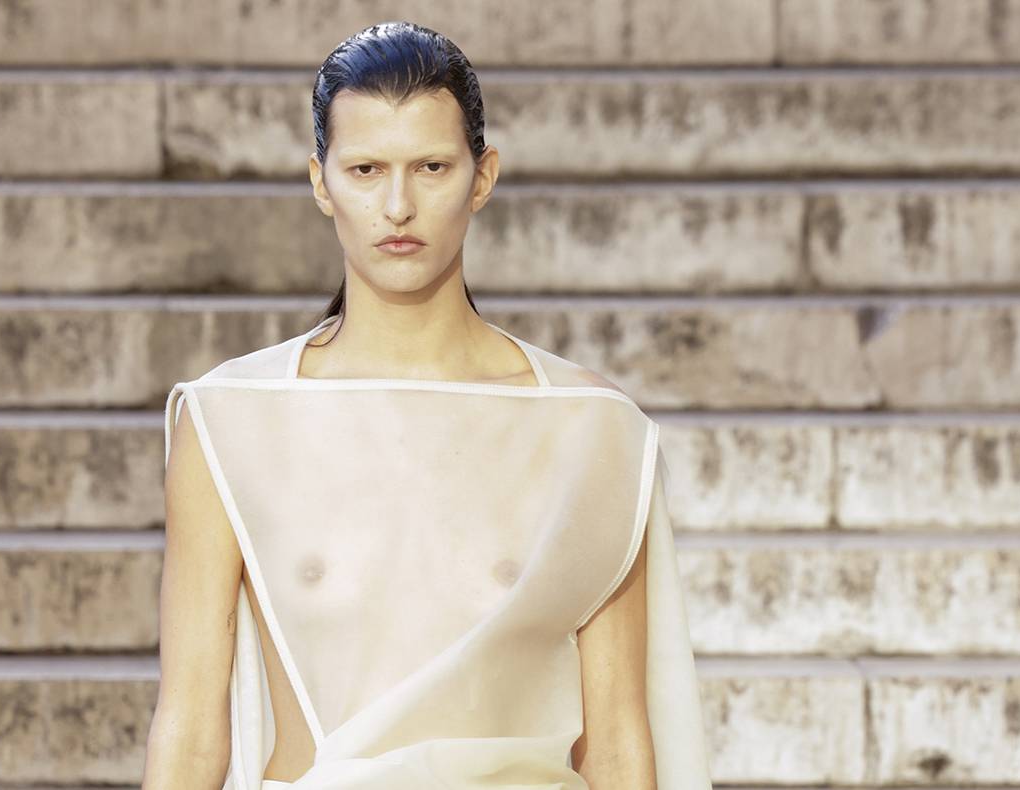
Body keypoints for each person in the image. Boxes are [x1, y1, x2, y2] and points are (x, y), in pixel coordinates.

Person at [142, 21, 710, 789]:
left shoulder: (593, 430)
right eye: (366, 169)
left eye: (432, 167)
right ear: (321, 182)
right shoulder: (228, 420)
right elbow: (189, 732)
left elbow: (615, 742)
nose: (398, 205)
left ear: (482, 177)